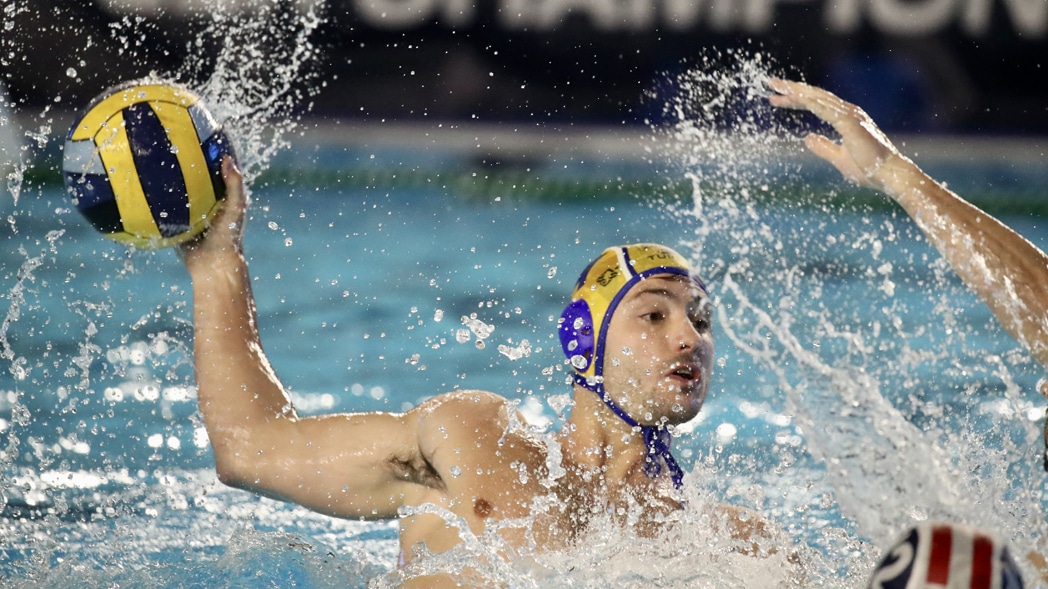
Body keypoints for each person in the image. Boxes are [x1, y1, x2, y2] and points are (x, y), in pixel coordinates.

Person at [180, 79, 1048, 586]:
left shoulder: (734, 549)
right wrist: (218, 260)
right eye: (655, 313)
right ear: (579, 344)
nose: (690, 338)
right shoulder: (473, 438)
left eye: (703, 321)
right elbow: (249, 448)